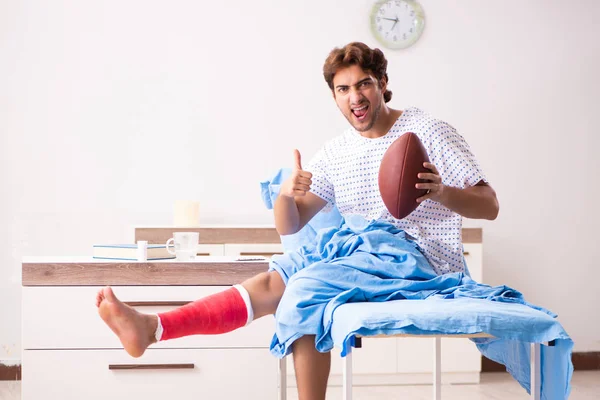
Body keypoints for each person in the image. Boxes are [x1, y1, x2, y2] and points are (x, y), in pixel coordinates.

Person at [96, 41, 499, 400]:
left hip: (418, 259)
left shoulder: (428, 130)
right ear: (334, 97)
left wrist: (442, 192)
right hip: (360, 252)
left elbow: (490, 205)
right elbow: (289, 226)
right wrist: (287, 194)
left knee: (305, 288)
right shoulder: (336, 151)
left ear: (382, 83)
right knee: (276, 278)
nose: (354, 96)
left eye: (363, 84)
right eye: (343, 89)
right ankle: (153, 328)